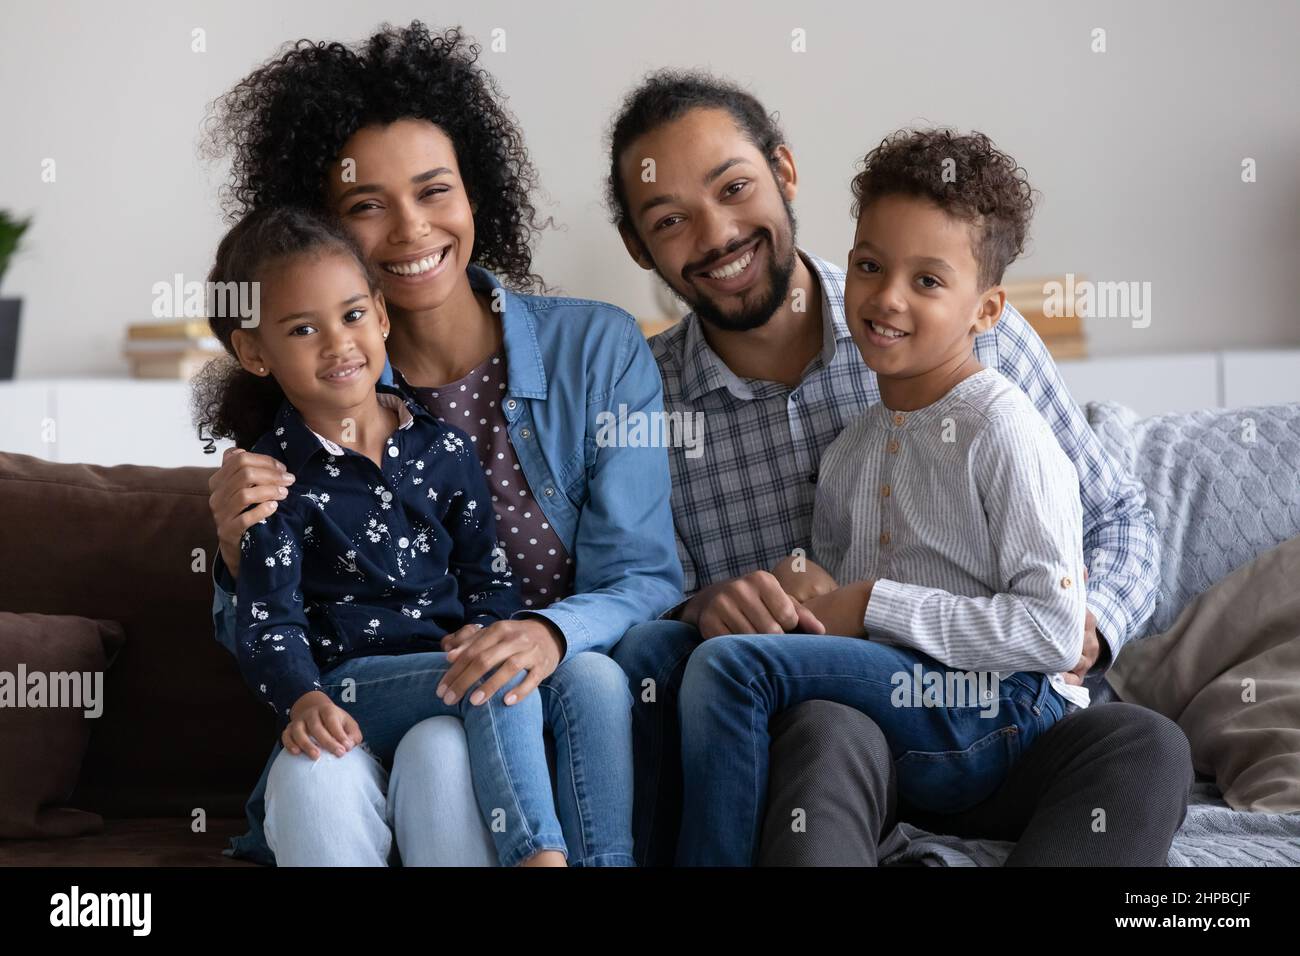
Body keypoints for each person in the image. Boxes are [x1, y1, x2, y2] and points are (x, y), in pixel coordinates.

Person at [605, 70, 1192, 866]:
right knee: (822, 732)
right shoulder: (637, 402)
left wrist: (1093, 627)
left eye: (734, 187)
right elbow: (633, 603)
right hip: (841, 734)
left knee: (1145, 744)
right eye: (671, 219)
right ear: (639, 248)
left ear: (783, 173)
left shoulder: (980, 347)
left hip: (1014, 707)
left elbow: (1117, 521)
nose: (715, 234)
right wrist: (707, 606)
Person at [199, 22, 680, 866]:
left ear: (475, 191)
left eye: (434, 191)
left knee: (576, 686)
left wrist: (543, 633)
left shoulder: (595, 350)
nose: (413, 229)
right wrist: (233, 554)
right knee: (367, 759)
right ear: (326, 237)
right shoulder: (312, 399)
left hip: (529, 700)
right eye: (366, 206)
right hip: (368, 711)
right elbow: (265, 624)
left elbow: (643, 576)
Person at [676, 128, 1094, 865]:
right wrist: (809, 591)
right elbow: (844, 631)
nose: (886, 297)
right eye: (869, 265)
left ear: (987, 311)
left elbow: (1054, 632)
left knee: (730, 665)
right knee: (791, 706)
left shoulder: (1003, 428)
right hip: (900, 718)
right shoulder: (852, 450)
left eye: (928, 281)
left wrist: (871, 604)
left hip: (998, 707)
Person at [199, 204, 572, 866]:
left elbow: (489, 578)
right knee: (490, 676)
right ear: (255, 352)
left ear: (381, 312)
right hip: (350, 689)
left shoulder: (444, 450)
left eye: (350, 315)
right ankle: (540, 856)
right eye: (302, 329)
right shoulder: (274, 482)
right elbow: (268, 624)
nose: (338, 343)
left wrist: (486, 625)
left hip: (439, 696)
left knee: (486, 676)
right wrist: (304, 695)